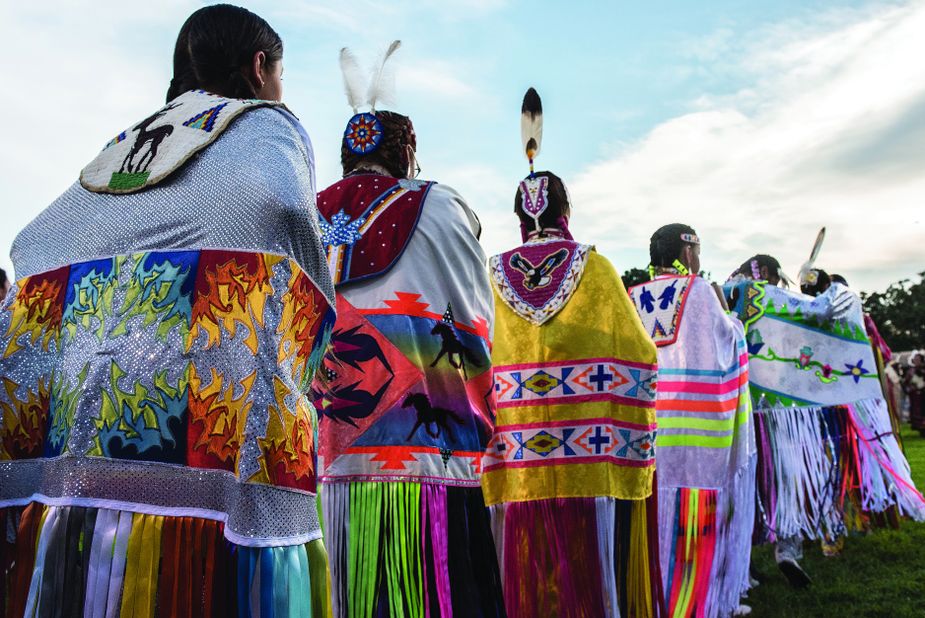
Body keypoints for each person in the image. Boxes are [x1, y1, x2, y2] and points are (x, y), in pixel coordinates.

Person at [0, 5, 337, 615]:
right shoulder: (266, 124)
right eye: (279, 73)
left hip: (78, 470)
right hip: (210, 449)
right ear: (259, 67)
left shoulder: (130, 143)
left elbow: (37, 243)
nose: (280, 89)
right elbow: (284, 211)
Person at [312, 44, 503, 617]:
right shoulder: (445, 208)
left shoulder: (303, 213)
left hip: (322, 468)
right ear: (408, 156)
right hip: (428, 470)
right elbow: (474, 319)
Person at [481, 89, 663, 617]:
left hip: (515, 457)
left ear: (520, 213)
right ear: (564, 210)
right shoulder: (598, 270)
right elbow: (638, 351)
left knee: (522, 574)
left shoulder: (491, 273)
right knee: (590, 576)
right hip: (589, 454)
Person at [629, 224, 756, 617]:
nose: (698, 257)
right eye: (697, 248)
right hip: (695, 427)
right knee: (695, 519)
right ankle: (696, 601)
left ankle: (653, 597)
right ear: (686, 253)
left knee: (654, 516)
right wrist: (734, 317)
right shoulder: (700, 291)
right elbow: (727, 344)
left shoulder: (632, 295)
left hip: (650, 424)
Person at [904, 352, 925, 436]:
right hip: (915, 396)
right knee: (917, 412)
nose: (916, 361)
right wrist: (910, 388)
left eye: (918, 359)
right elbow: (906, 382)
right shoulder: (911, 370)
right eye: (915, 360)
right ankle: (920, 429)